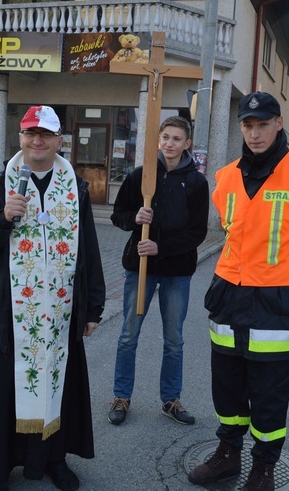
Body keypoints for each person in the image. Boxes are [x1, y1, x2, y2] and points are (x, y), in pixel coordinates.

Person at [188, 92, 289, 491]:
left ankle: (264, 468)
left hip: (277, 302)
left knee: (270, 394)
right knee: (227, 387)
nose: (255, 133)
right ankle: (227, 455)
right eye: (248, 126)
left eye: (263, 124)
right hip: (229, 299)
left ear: (278, 125)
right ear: (241, 128)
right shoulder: (227, 176)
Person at [0, 105, 106, 491]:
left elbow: (88, 249)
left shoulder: (76, 190)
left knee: (57, 385)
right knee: (0, 393)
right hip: (6, 315)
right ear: (20, 138)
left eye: (45, 134)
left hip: (57, 313)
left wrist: (93, 307)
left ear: (59, 141)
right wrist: (2, 218)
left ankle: (53, 459)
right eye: (29, 134)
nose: (36, 141)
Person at [107, 115, 209, 426]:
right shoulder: (141, 176)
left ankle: (171, 399)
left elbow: (197, 233)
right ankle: (121, 396)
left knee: (174, 339)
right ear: (159, 139)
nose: (170, 143)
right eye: (165, 137)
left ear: (187, 144)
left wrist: (161, 248)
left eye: (177, 139)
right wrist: (134, 218)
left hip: (177, 272)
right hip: (140, 269)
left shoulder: (196, 182)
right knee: (128, 335)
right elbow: (118, 215)